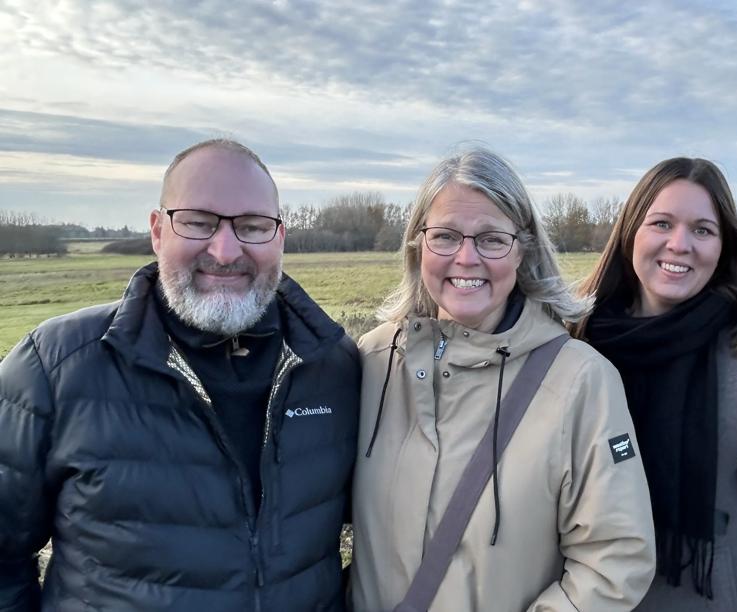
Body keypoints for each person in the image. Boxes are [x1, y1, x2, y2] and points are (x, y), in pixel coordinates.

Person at [0, 139, 361, 611]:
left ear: (280, 238)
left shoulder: (335, 366)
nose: (226, 250)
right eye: (198, 222)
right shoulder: (54, 367)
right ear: (157, 230)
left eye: (252, 226)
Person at [350, 147, 656, 612]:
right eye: (446, 236)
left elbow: (615, 561)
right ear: (417, 245)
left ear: (522, 250)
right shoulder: (371, 361)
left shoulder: (581, 381)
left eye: (492, 239)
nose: (466, 258)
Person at [576, 157, 737, 611]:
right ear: (631, 232)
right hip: (583, 596)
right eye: (662, 223)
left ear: (723, 246)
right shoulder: (576, 341)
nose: (679, 244)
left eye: (703, 230)